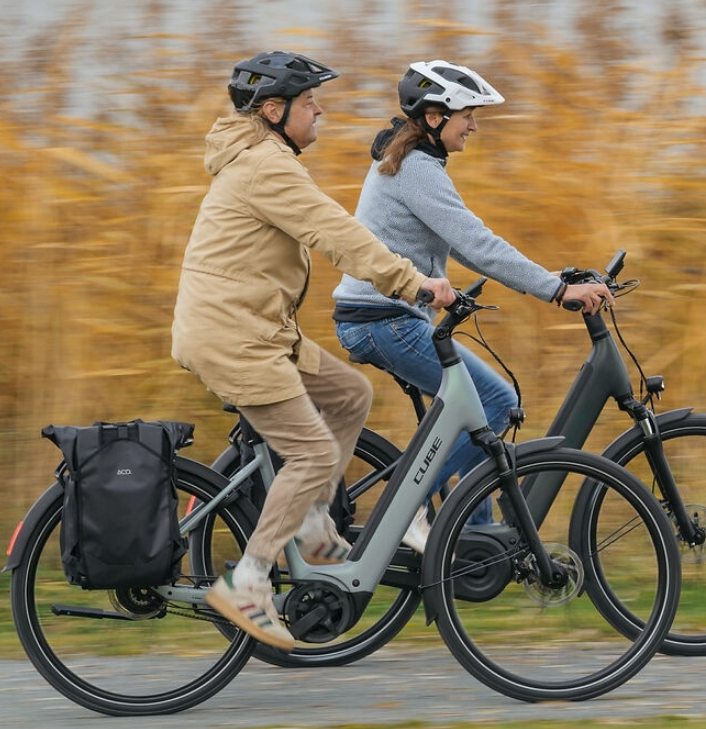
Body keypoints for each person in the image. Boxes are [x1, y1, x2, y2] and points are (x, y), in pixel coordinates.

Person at [173, 50, 457, 650]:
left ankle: (313, 526)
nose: (319, 110)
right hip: (235, 337)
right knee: (311, 452)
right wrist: (412, 282)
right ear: (274, 112)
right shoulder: (265, 167)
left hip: (258, 329)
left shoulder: (262, 158)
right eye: (309, 102)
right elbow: (337, 233)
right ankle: (249, 580)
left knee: (350, 394)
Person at [331, 60, 611, 554]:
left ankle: (473, 542)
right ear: (435, 117)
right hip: (385, 321)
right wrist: (554, 291)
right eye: (467, 116)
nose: (474, 126)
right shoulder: (417, 169)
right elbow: (478, 245)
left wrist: (551, 276)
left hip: (384, 318)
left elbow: (460, 245)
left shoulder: (412, 161)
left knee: (473, 415)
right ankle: (409, 509)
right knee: (497, 402)